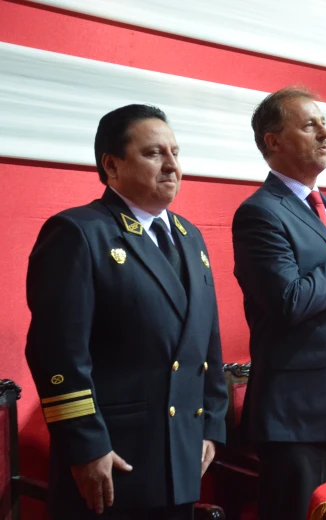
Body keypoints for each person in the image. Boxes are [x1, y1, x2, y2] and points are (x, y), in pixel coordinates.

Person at [25, 104, 228, 519]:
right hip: (114, 459)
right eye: (154, 153)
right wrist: (86, 446)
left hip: (182, 454)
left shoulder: (191, 238)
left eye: (175, 152)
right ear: (112, 166)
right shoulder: (80, 233)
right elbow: (57, 354)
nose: (172, 165)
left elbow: (207, 343)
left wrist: (211, 426)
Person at [232, 87, 326, 520]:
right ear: (273, 141)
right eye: (310, 125)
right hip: (298, 419)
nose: (325, 133)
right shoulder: (260, 212)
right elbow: (290, 301)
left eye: (324, 124)